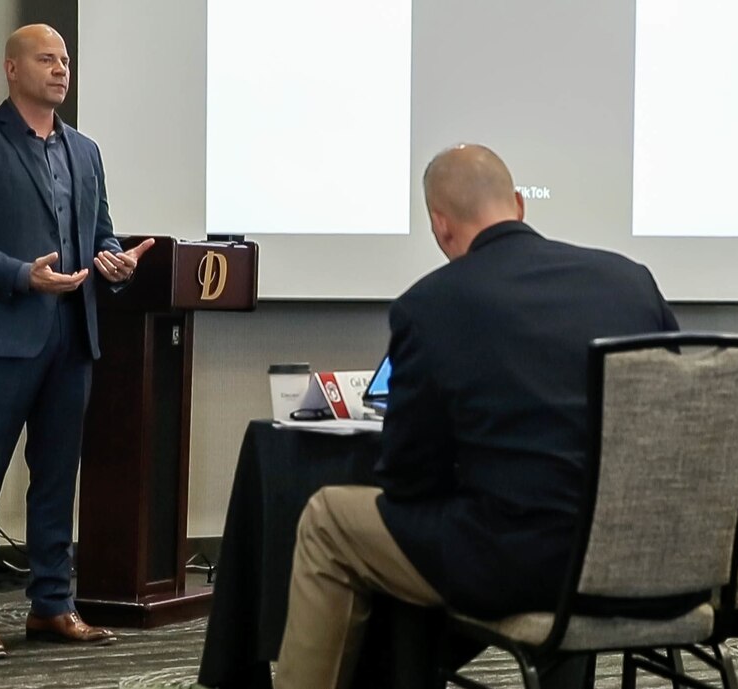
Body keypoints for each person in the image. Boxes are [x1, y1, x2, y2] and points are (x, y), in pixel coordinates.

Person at [273, 144, 679, 689]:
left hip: (520, 566)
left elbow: (408, 480)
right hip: (649, 557)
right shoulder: (631, 281)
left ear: (440, 227)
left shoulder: (431, 303)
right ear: (519, 204)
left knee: (328, 519)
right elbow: (675, 429)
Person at [0, 24, 154, 657]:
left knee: (56, 479)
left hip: (72, 336)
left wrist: (113, 261)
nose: (60, 69)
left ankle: (52, 605)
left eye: (65, 60)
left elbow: (101, 233)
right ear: (10, 68)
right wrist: (20, 276)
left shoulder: (85, 151)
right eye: (45, 59)